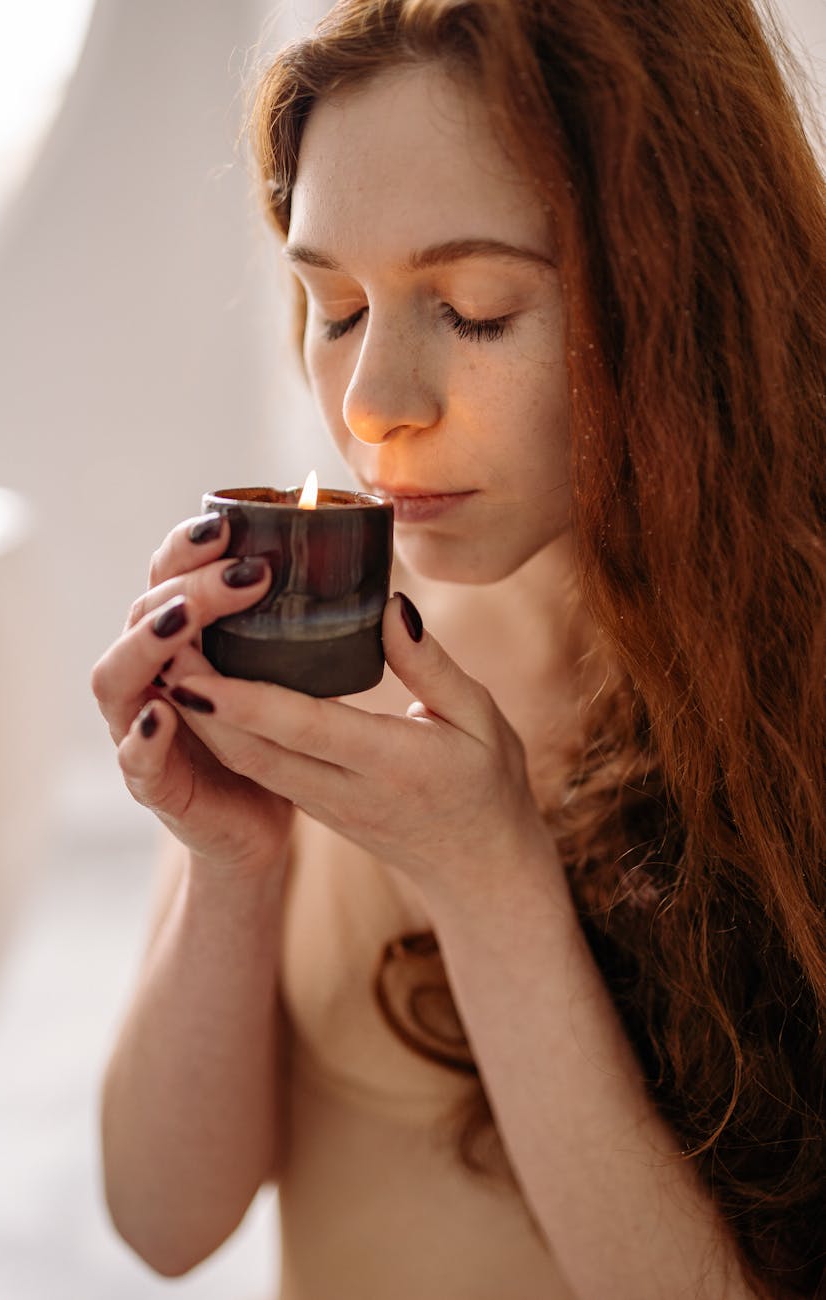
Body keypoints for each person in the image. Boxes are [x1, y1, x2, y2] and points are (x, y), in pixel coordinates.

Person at [91, 1, 826, 1296]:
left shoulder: (794, 708)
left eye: (475, 310)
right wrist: (233, 864)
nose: (373, 404)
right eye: (333, 305)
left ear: (688, 290)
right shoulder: (322, 645)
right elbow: (162, 1222)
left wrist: (491, 887)